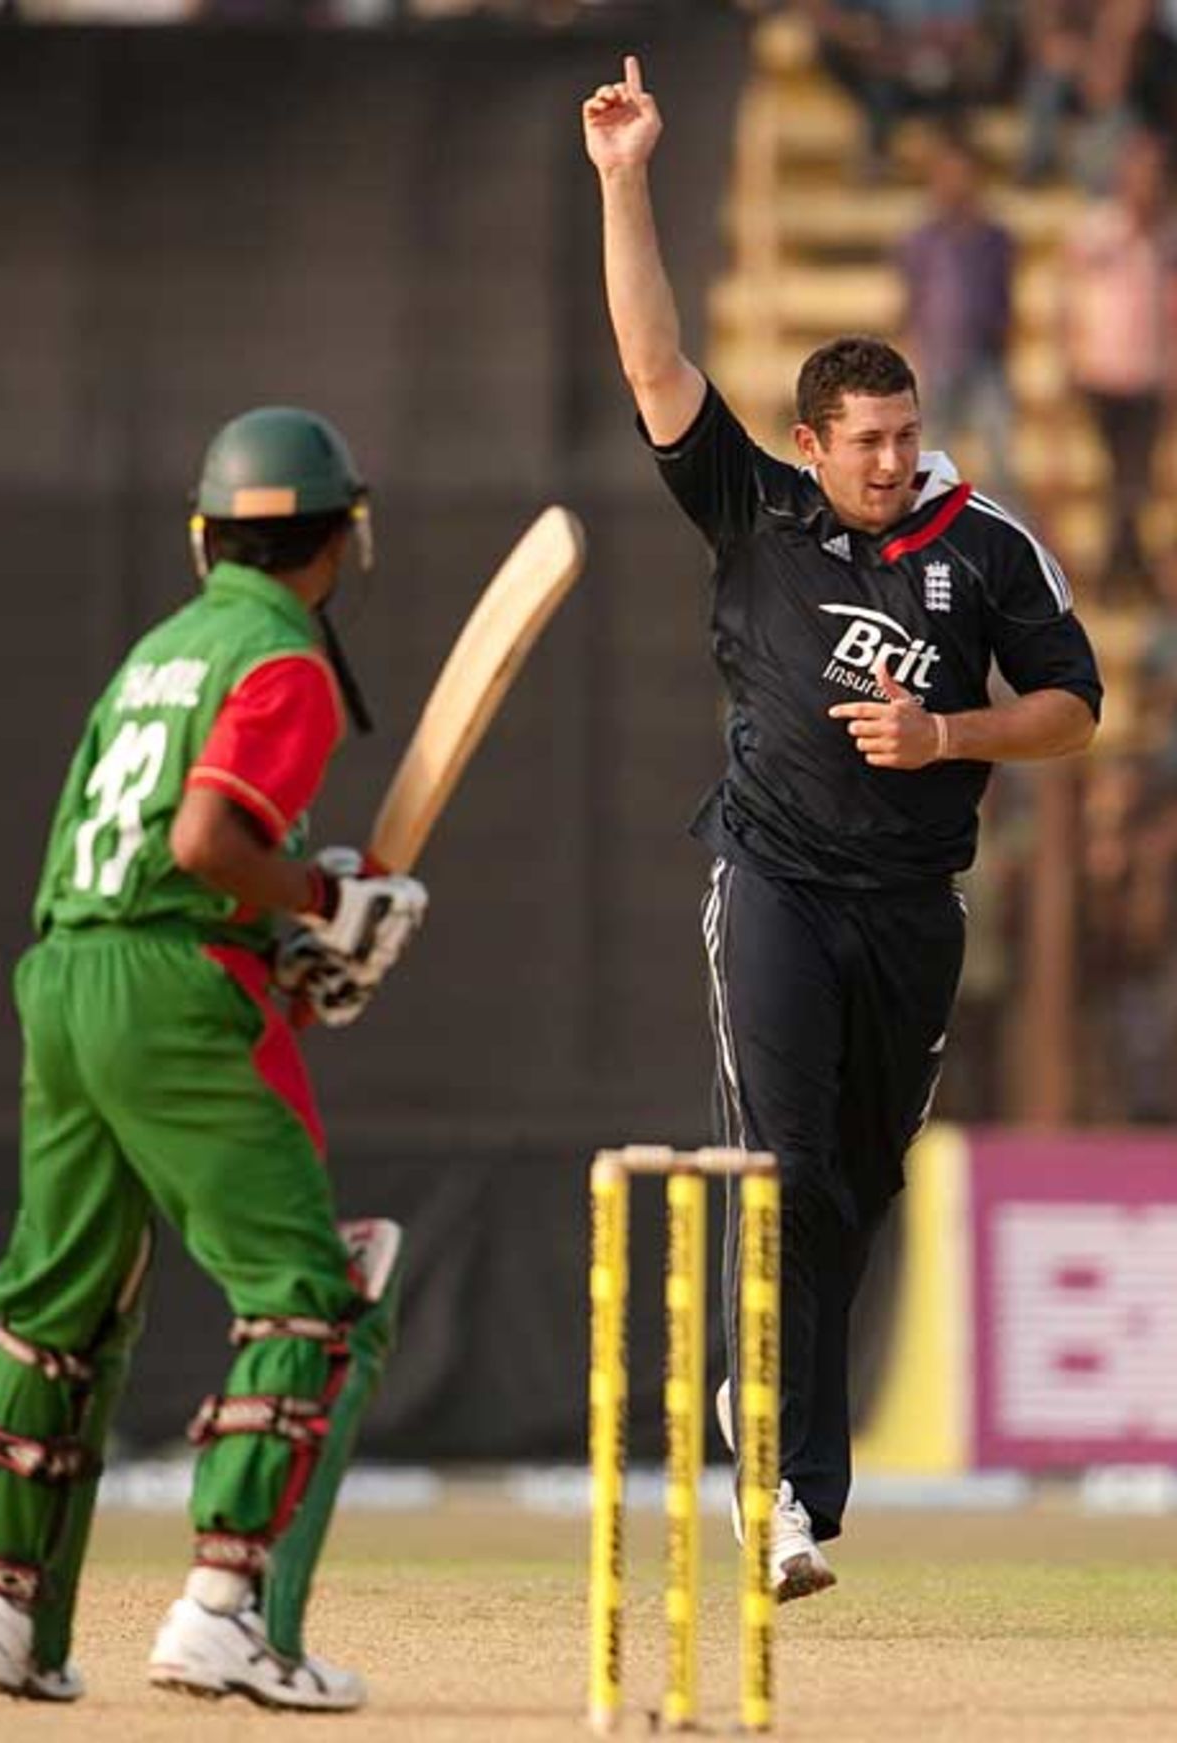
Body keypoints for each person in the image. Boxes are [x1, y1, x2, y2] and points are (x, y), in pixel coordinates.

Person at [583, 56, 1102, 1599]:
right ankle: (785, 1491)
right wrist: (624, 182)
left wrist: (952, 731)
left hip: (914, 904)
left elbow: (1078, 709)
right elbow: (656, 353)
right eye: (862, 438)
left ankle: (797, 1461)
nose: (889, 458)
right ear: (812, 443)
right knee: (783, 1163)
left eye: (904, 432)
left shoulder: (985, 543)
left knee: (858, 1187)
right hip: (776, 877)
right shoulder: (758, 510)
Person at [0, 405, 428, 1707]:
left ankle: (4, 1610)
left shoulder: (157, 650)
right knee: (312, 1293)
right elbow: (207, 842)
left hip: (65, 973)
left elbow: (145, 855)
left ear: (206, 532)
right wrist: (326, 908)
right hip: (167, 977)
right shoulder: (284, 661)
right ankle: (224, 1610)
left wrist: (286, 945)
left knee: (58, 1311)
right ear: (340, 544)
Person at [1061, 126, 1177, 604]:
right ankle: (1125, 567)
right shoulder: (1097, 230)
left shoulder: (1170, 238)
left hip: (1149, 374)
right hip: (1101, 371)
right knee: (1121, 474)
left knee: (1133, 474)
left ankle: (1123, 566)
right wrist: (1068, 355)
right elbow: (1071, 298)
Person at [897, 131, 1016, 500]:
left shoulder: (995, 238)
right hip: (937, 358)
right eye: (946, 174)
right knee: (932, 458)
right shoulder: (921, 239)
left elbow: (1004, 301)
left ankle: (1005, 540)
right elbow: (910, 299)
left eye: (962, 174)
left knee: (999, 456)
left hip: (986, 359)